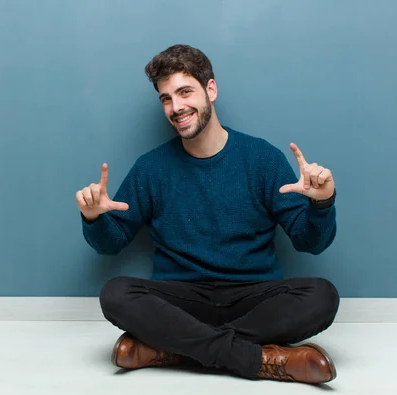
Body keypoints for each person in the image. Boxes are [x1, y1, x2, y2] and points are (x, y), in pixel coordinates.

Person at [75, 44, 340, 384]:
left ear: (210, 90)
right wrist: (94, 218)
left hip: (253, 296)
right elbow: (111, 244)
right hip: (181, 299)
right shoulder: (151, 168)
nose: (176, 107)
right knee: (115, 294)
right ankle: (258, 359)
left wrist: (322, 203)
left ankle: (172, 349)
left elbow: (310, 243)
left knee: (322, 296)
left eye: (185, 92)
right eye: (166, 99)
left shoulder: (262, 159)